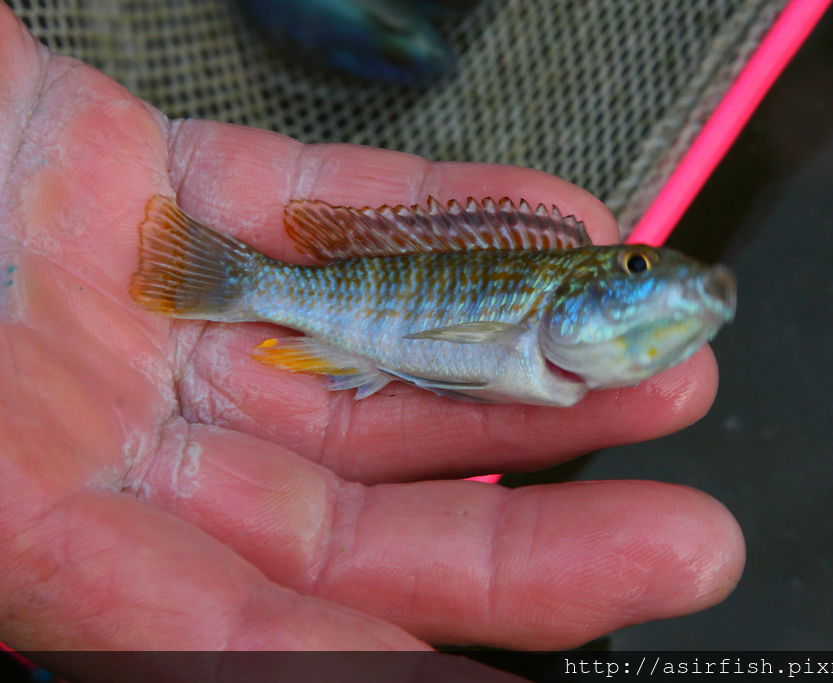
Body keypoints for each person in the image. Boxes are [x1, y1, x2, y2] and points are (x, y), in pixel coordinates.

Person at [0, 2, 743, 660]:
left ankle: (240, 281)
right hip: (319, 292)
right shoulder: (544, 318)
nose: (651, 280)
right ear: (585, 283)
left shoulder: (564, 344)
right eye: (636, 266)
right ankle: (234, 280)